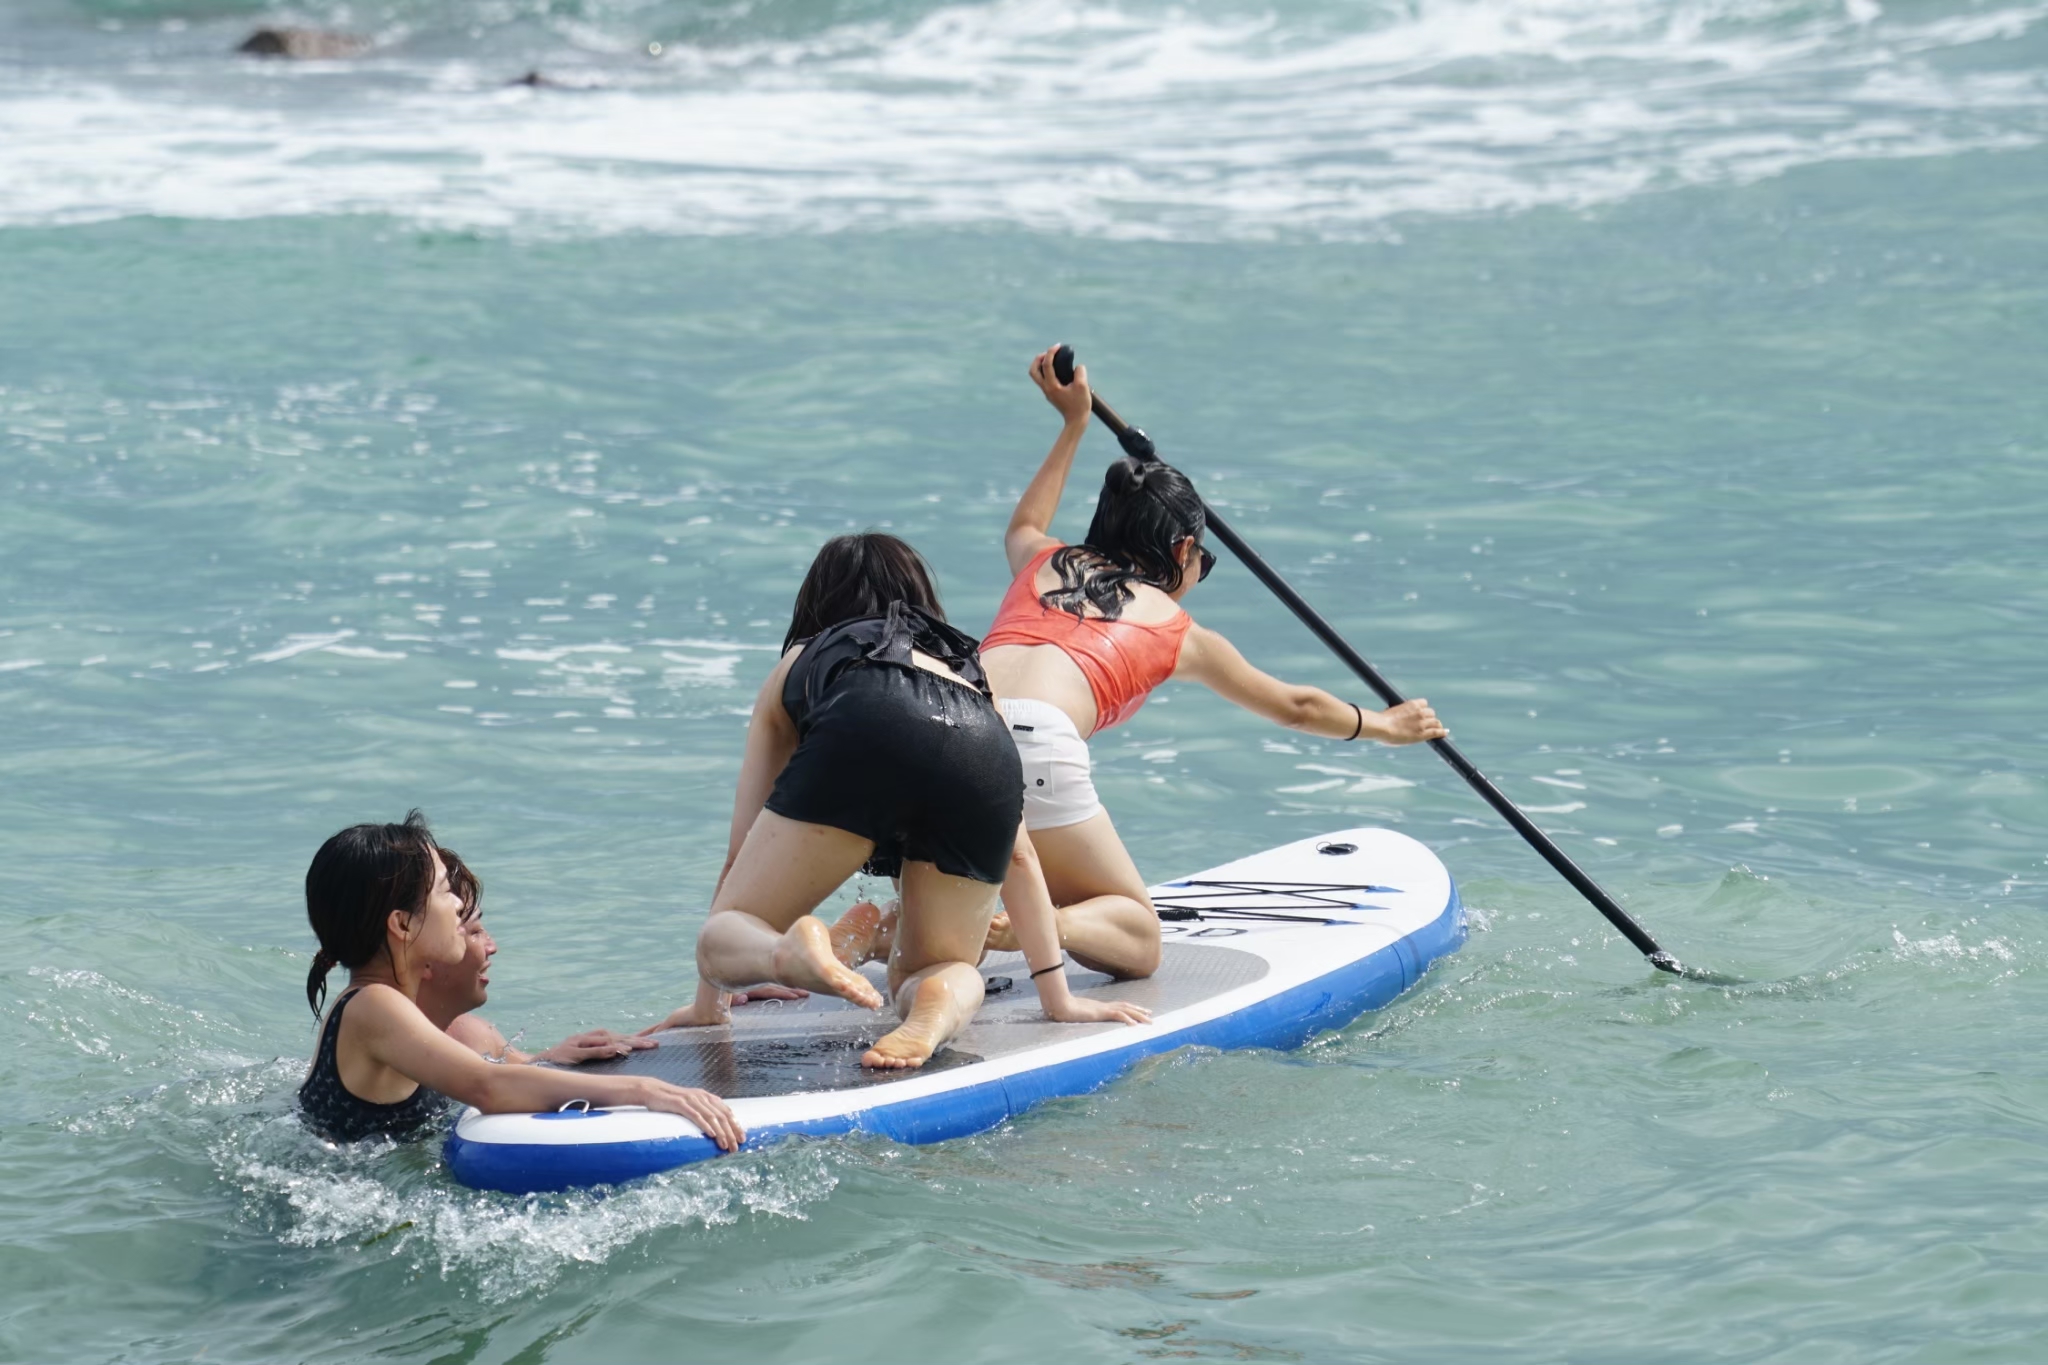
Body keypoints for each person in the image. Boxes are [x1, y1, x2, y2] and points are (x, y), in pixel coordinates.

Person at [976, 347, 1450, 979]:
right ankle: (1041, 922)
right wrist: (1386, 725)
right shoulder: (1178, 632)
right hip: (1033, 737)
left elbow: (1026, 521)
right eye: (1205, 559)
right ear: (1183, 549)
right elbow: (1296, 707)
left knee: (953, 905)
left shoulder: (1040, 561)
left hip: (946, 713)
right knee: (1137, 943)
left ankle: (903, 928)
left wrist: (1073, 424)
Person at [643, 533, 1148, 1069]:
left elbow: (740, 850)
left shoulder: (802, 657)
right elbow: (1020, 856)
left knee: (725, 932)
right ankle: (935, 1004)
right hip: (978, 739)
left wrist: (711, 1003)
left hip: (864, 714)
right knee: (938, 968)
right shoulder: (966, 666)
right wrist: (1057, 996)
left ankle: (789, 952)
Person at [296, 813, 743, 1149]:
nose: (458, 906)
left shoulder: (384, 1008)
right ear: (402, 924)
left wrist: (668, 1028)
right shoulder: (373, 1005)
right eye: (444, 891)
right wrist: (644, 1091)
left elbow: (497, 1074)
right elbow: (487, 1087)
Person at [419, 848, 802, 1064]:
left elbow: (536, 1070)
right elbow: (493, 1086)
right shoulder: (395, 1035)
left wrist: (678, 1023)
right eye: (474, 931)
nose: (492, 946)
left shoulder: (471, 1034)